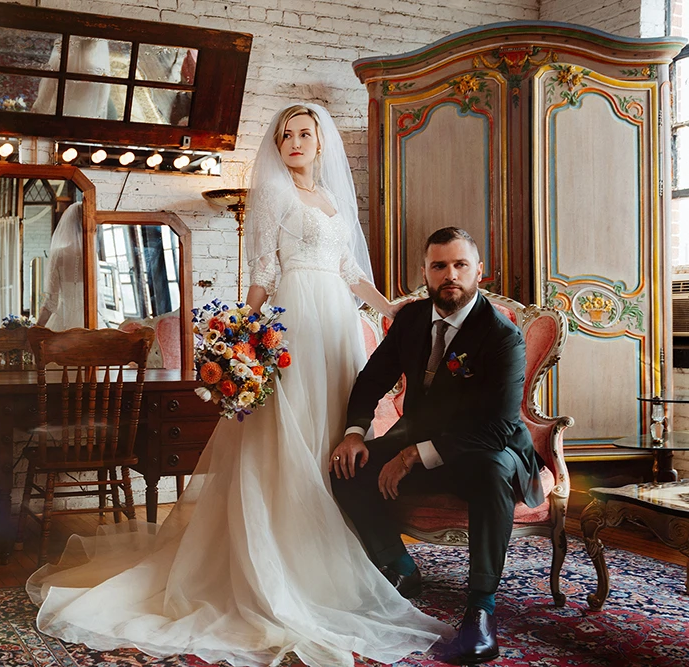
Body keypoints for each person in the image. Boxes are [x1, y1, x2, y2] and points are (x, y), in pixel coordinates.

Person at [25, 103, 452, 667]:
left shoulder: (330, 200)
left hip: (338, 326)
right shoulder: (275, 196)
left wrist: (388, 308)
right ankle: (287, 561)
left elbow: (351, 273)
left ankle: (348, 548)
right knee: (290, 440)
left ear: (321, 143)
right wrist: (239, 335)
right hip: (295, 319)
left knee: (336, 432)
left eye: (304, 133)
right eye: (284, 135)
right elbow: (264, 275)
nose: (294, 142)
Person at [331, 227, 543, 665]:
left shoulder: (501, 337)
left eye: (460, 265)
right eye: (439, 266)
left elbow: (498, 426)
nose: (450, 275)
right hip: (423, 441)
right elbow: (373, 377)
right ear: (425, 273)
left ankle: (481, 609)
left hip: (487, 450)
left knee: (491, 471)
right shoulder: (410, 318)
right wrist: (355, 432)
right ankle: (401, 568)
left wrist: (413, 456)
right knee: (345, 469)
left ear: (478, 272)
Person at [36, 202, 85, 331]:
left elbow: (52, 302)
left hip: (63, 323)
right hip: (89, 322)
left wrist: (38, 327)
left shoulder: (58, 255)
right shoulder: (92, 255)